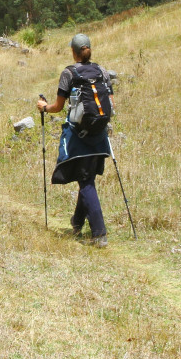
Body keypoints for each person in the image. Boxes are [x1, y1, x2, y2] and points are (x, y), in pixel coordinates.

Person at [37, 33, 113, 248]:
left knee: (86, 181)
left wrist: (44, 107)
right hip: (99, 133)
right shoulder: (102, 71)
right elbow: (111, 103)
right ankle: (77, 222)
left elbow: (58, 107)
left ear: (73, 51)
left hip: (79, 136)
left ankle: (99, 233)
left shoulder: (69, 73)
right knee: (87, 177)